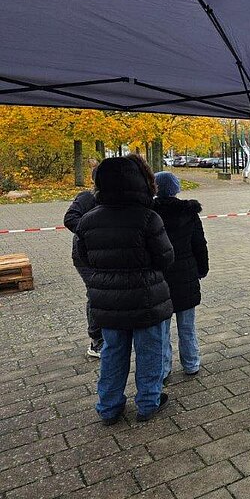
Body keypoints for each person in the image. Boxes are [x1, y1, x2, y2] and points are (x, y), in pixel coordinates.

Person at [76, 154, 174, 425]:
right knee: (150, 353)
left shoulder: (88, 220)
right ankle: (148, 402)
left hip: (108, 303)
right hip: (147, 300)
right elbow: (166, 257)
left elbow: (83, 257)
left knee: (112, 354)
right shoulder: (148, 218)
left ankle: (108, 407)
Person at [153, 171, 209, 383]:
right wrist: (202, 269)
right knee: (187, 325)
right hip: (186, 275)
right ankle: (191, 363)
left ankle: (164, 367)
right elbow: (199, 244)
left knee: (162, 328)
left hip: (160, 278)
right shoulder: (189, 212)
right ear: (176, 188)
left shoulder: (150, 213)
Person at [63, 161, 102, 358]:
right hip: (84, 256)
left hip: (104, 254)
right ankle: (96, 340)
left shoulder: (114, 197)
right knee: (95, 293)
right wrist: (92, 231)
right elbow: (70, 218)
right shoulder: (87, 197)